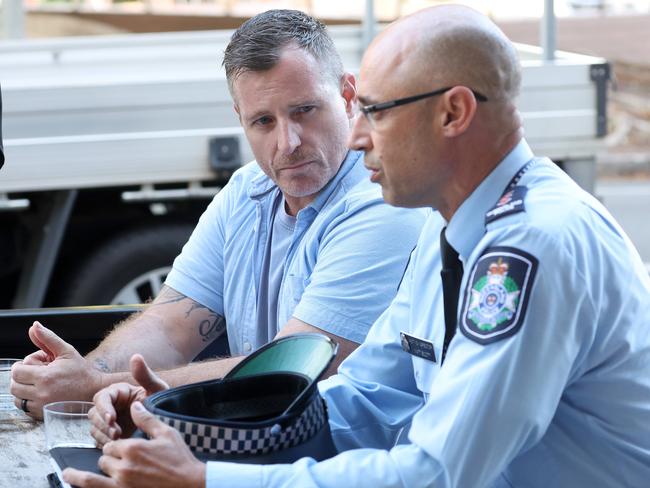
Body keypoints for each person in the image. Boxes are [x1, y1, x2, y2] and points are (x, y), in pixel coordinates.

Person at [64, 5, 650, 488]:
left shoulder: (529, 248)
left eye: (375, 111)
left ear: (454, 112)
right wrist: (183, 417)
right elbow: (365, 397)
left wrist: (203, 480)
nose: (360, 136)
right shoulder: (451, 229)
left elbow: (440, 471)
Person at [10, 9, 425, 420]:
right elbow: (172, 325)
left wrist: (94, 388)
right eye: (263, 121)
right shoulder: (248, 190)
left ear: (348, 96)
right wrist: (84, 371)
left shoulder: (380, 199)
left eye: (304, 110)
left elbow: (297, 370)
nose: (288, 142)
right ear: (240, 121)